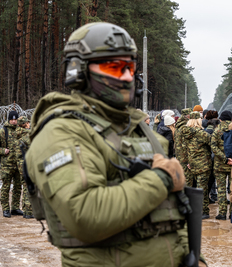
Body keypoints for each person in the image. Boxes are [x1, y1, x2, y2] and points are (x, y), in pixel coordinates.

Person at [24, 22, 206, 267]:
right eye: (114, 67)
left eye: (129, 67)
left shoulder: (141, 130)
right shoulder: (62, 131)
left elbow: (172, 211)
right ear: (78, 71)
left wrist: (195, 257)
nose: (127, 77)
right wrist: (161, 179)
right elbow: (84, 216)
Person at [182, 112, 212, 219]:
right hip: (203, 165)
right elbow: (212, 144)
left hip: (192, 164)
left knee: (195, 188)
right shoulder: (202, 134)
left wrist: (188, 162)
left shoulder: (186, 134)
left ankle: (195, 209)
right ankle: (204, 211)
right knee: (202, 189)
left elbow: (185, 149)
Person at [0, 110, 23, 218]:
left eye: (15, 119)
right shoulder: (3, 131)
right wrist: (2, 150)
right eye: (12, 119)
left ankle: (15, 208)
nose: (14, 121)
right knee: (5, 187)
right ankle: (5, 209)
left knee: (18, 187)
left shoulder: (20, 130)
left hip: (18, 164)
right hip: (6, 165)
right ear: (9, 119)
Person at [211, 110, 232, 220]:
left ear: (220, 119)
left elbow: (213, 147)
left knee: (221, 189)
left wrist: (224, 159)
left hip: (220, 165)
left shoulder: (217, 130)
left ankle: (222, 213)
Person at [14, 116, 34, 219]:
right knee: (28, 186)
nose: (29, 124)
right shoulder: (26, 135)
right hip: (26, 163)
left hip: (19, 163)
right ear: (25, 124)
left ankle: (26, 209)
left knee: (24, 185)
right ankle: (28, 211)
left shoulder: (17, 134)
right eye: (27, 122)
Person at [175, 108, 195, 187]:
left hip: (180, 155)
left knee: (182, 177)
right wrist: (190, 159)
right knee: (187, 180)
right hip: (185, 157)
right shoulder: (185, 127)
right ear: (188, 116)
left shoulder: (178, 125)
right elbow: (186, 144)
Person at [204, 111, 219, 204]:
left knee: (208, 181)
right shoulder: (213, 133)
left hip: (205, 159)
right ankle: (207, 197)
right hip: (212, 159)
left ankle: (207, 197)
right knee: (210, 180)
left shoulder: (204, 131)